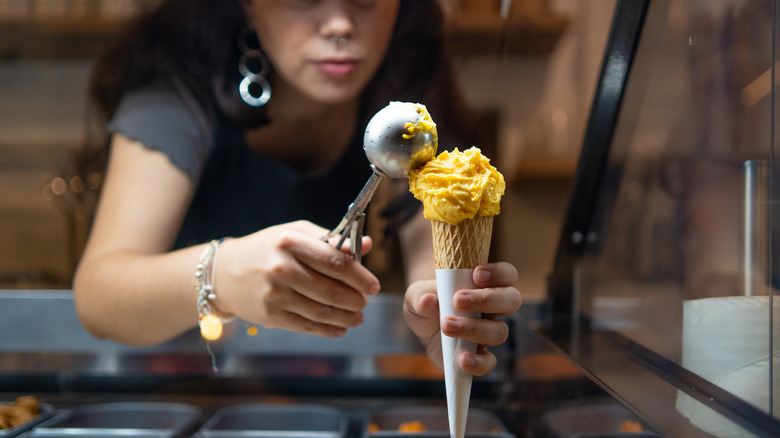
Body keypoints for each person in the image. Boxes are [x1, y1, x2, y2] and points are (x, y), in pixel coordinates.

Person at [72, 0, 522, 377]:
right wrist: (222, 273)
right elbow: (99, 297)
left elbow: (435, 264)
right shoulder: (177, 83)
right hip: (175, 387)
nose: (340, 24)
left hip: (322, 386)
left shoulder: (407, 85)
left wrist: (444, 315)